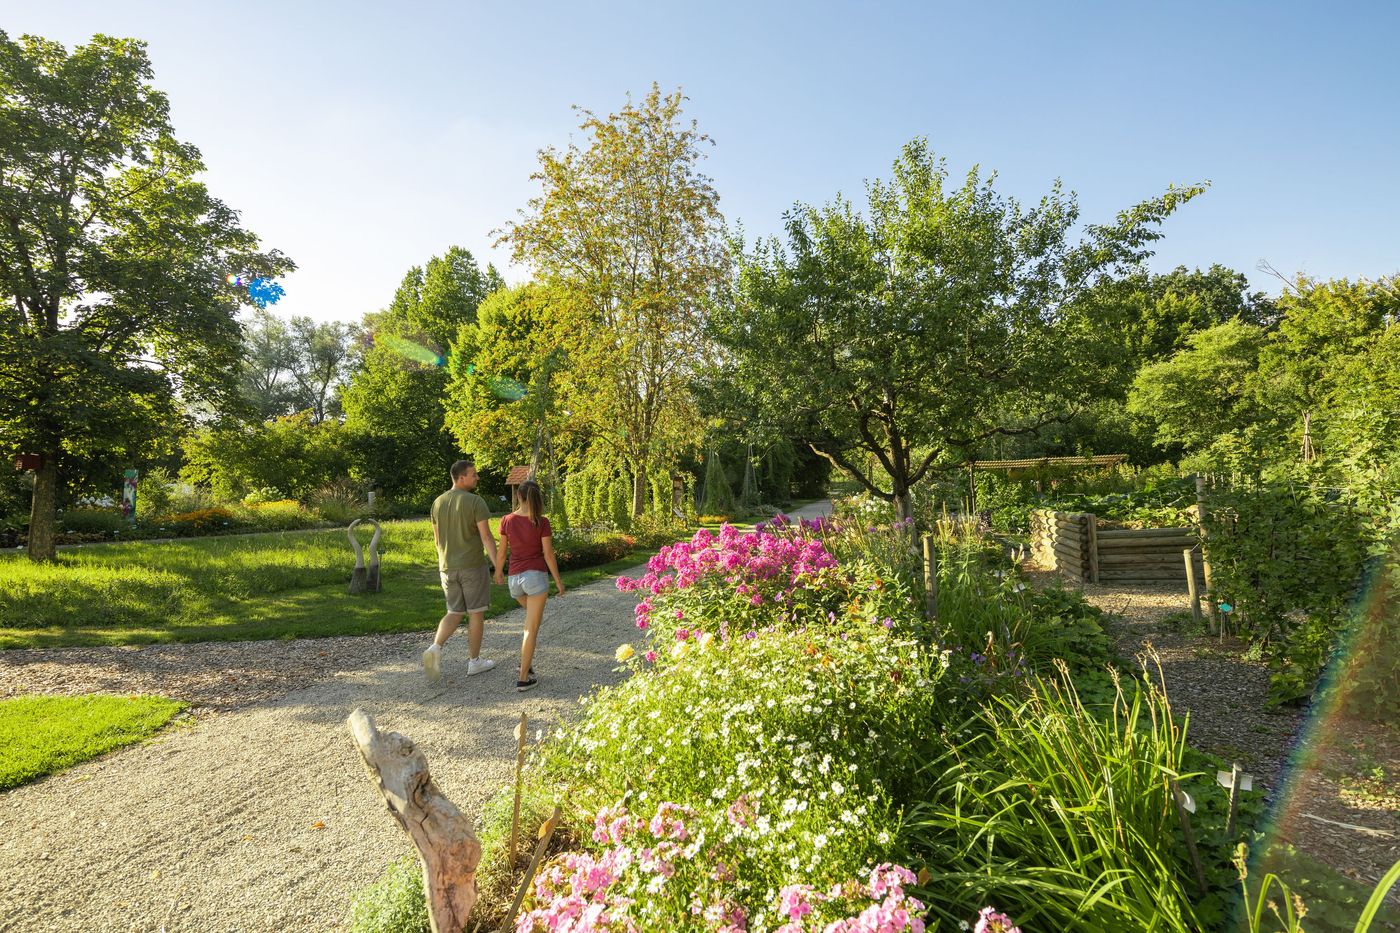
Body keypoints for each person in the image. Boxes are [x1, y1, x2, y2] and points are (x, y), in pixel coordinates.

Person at [423, 459, 501, 683]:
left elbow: (437, 541)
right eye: (473, 474)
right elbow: (486, 537)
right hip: (472, 566)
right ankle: (474, 661)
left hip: (447, 567)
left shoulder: (437, 503)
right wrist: (497, 565)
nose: (477, 477)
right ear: (460, 477)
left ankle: (435, 647)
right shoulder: (475, 502)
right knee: (476, 612)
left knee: (454, 612)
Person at [495, 479, 565, 692]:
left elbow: (502, 551)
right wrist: (559, 582)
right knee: (530, 629)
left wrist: (498, 571)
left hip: (514, 580)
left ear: (519, 496)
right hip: (535, 578)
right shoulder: (541, 522)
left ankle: (526, 661)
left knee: (532, 623)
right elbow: (548, 555)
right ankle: (523, 678)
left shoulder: (506, 520)